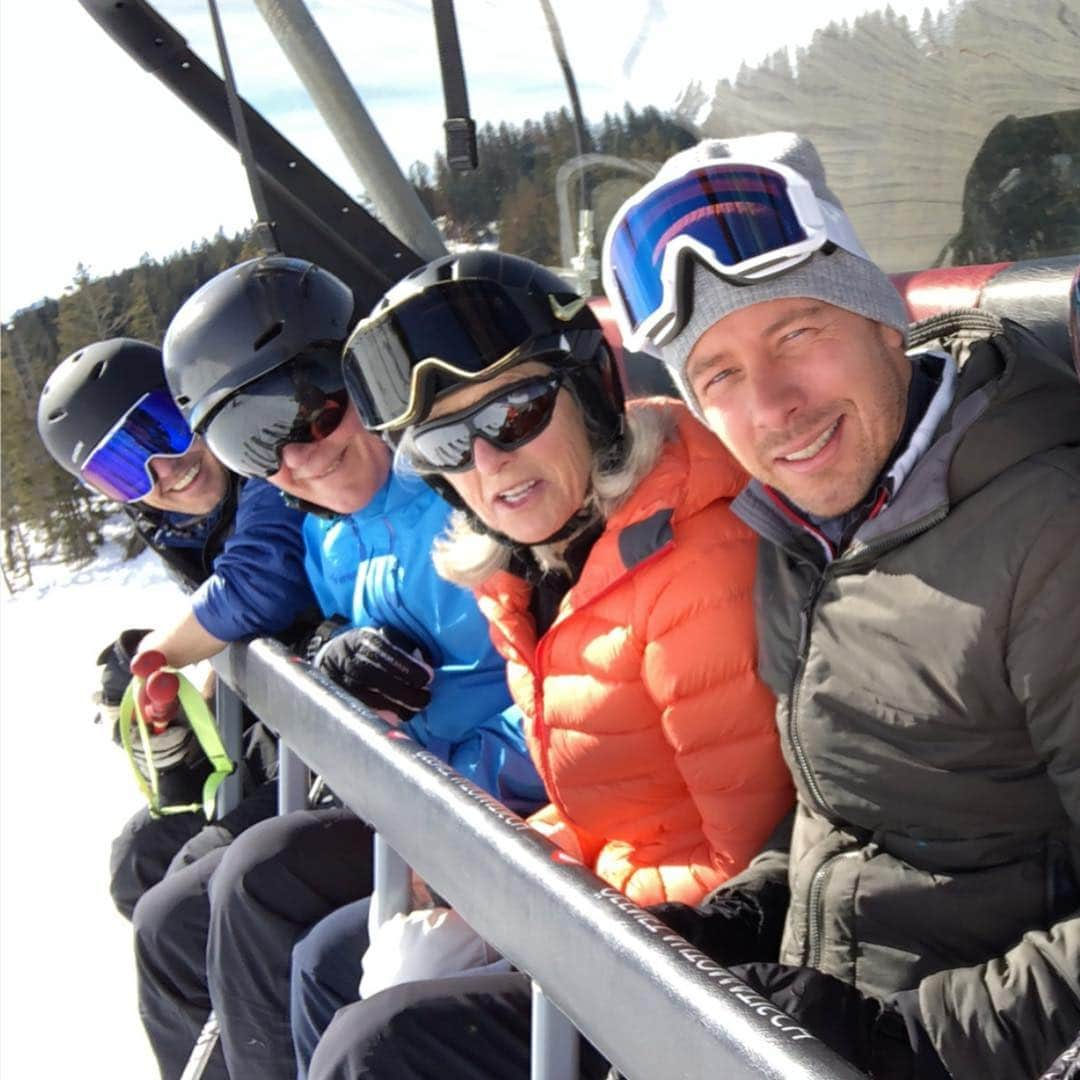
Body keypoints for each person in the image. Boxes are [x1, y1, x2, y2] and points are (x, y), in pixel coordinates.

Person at [598, 132, 1080, 1078]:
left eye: (797, 334)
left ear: (882, 322)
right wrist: (748, 909)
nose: (774, 406)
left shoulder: (1050, 537)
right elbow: (848, 821)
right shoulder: (803, 527)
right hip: (804, 1013)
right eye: (720, 376)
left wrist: (912, 1045)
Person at [302, 249, 794, 1078]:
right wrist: (485, 877)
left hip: (691, 969)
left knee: (377, 1046)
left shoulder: (694, 570)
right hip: (609, 902)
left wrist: (545, 924)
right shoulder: (534, 571)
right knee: (340, 965)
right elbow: (609, 812)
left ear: (593, 388)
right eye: (447, 444)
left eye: (515, 413)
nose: (488, 465)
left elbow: (741, 871)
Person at [131, 254, 544, 1080]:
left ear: (367, 377)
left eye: (318, 409)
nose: (303, 457)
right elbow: (308, 615)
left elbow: (559, 694)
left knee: (285, 911)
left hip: (500, 814)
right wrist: (329, 655)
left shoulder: (472, 490)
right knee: (218, 899)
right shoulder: (323, 530)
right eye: (257, 447)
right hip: (422, 803)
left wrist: (449, 797)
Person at [36, 338, 317, 919]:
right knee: (138, 860)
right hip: (288, 737)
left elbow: (264, 581)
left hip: (343, 736)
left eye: (159, 429)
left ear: (194, 404)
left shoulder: (263, 452)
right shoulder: (179, 529)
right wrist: (183, 729)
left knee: (190, 900)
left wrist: (163, 652)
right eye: (122, 470)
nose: (163, 471)